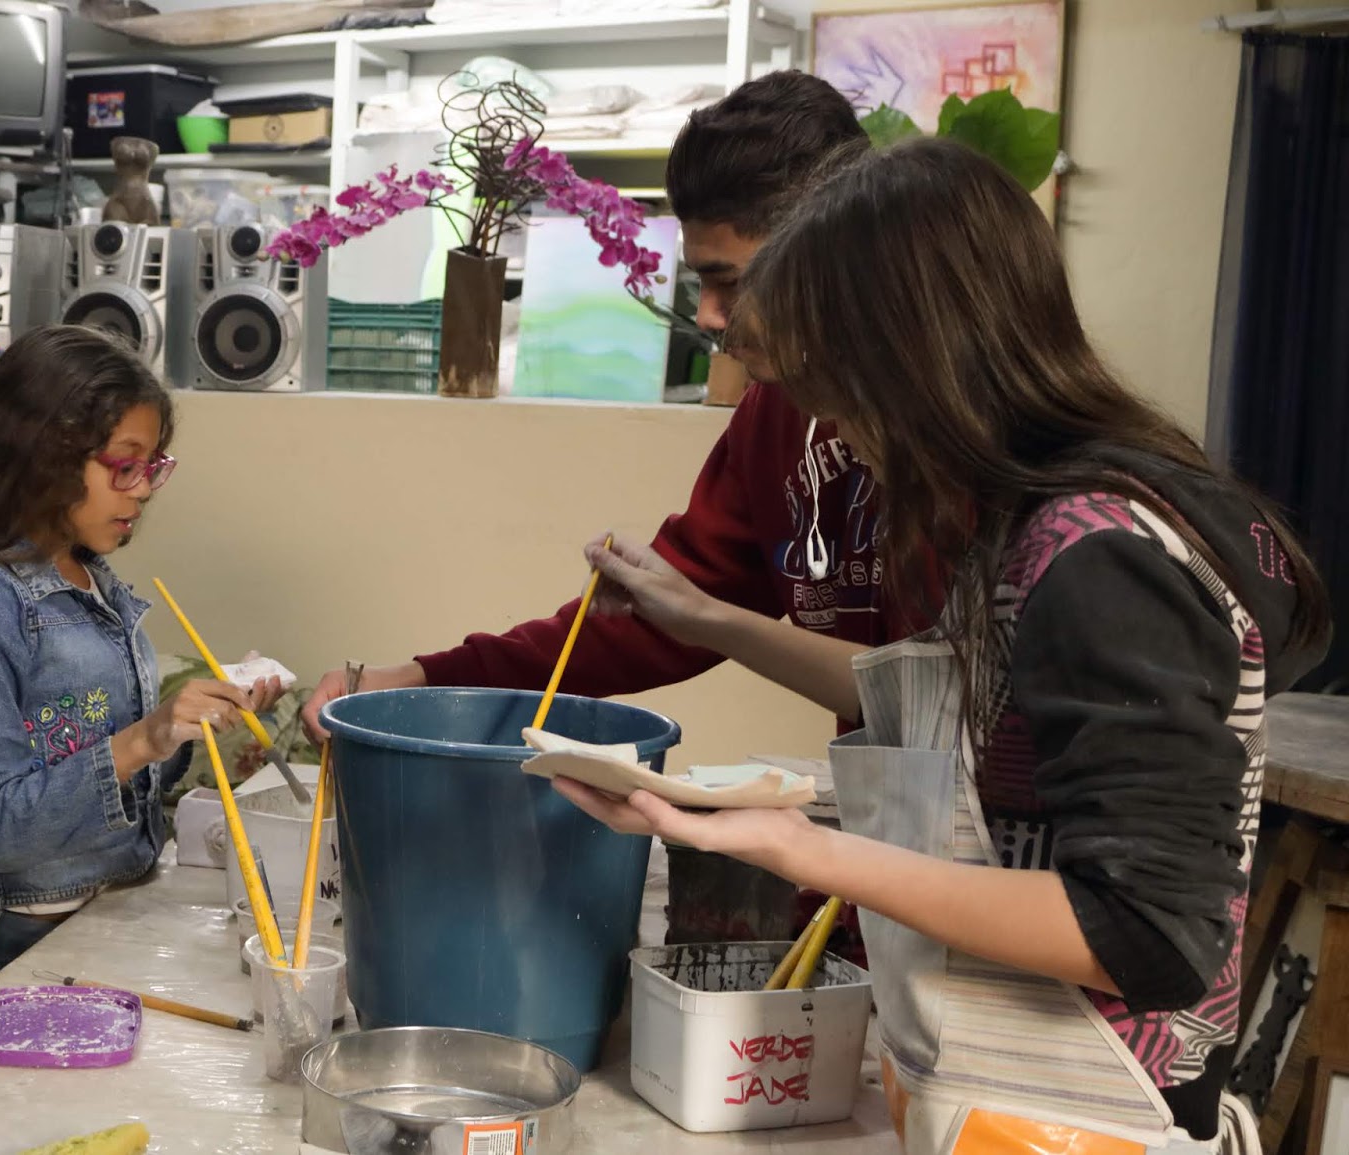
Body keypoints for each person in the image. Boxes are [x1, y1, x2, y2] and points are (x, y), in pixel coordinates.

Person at [555, 139, 1331, 1152]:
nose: (837, 436)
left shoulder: (1102, 555)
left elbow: (1149, 933)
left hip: (1094, 1115)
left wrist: (805, 847)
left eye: (836, 398)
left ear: (913, 363)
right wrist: (707, 618)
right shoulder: (1034, 517)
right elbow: (956, 699)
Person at [302, 71, 923, 739]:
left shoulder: (955, 425)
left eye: (731, 282)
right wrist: (428, 677)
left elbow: (942, 692)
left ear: (828, 252)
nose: (709, 317)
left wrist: (705, 617)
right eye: (702, 283)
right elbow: (653, 623)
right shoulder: (773, 416)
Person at [0, 325, 284, 995]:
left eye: (155, 465)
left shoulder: (93, 580)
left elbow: (109, 771)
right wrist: (142, 738)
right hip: (31, 937)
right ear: (45, 455)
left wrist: (182, 727)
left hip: (112, 913)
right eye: (126, 464)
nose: (143, 489)